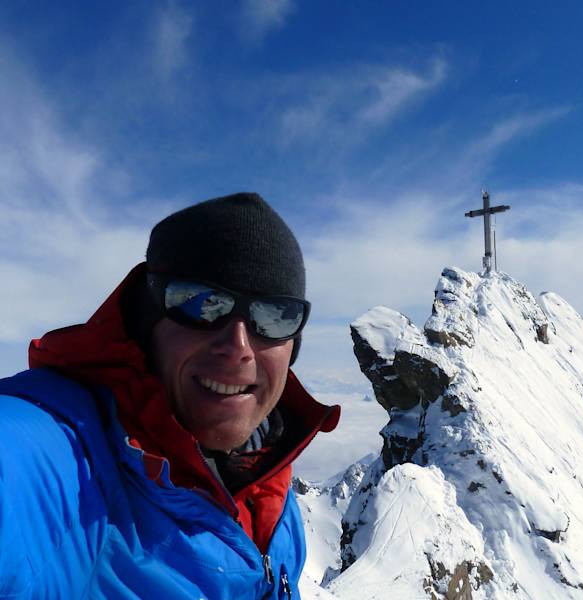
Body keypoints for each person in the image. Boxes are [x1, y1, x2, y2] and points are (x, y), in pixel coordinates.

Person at [0, 193, 340, 599]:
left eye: (273, 315)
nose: (239, 346)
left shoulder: (271, 485)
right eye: (202, 304)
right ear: (148, 323)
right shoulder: (59, 455)